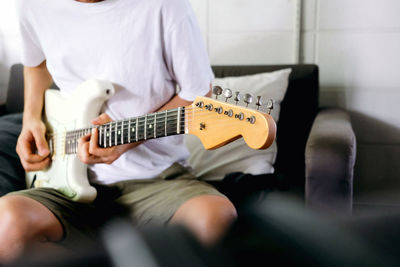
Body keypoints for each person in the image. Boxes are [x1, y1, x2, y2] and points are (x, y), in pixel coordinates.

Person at [0, 0, 237, 263]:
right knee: (6, 223)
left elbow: (199, 94)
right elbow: (36, 63)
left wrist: (130, 140)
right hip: (63, 183)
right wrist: (30, 119)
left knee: (217, 219)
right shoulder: (33, 5)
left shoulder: (166, 6)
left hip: (157, 179)